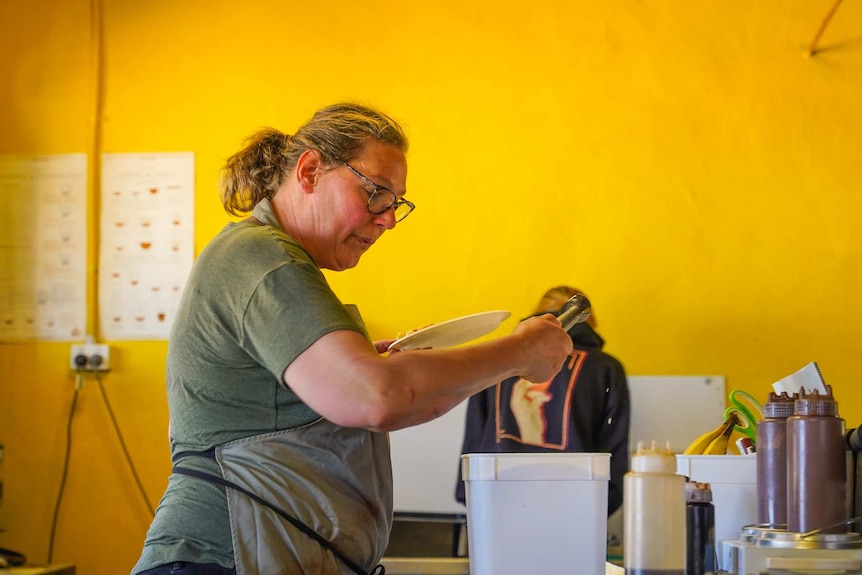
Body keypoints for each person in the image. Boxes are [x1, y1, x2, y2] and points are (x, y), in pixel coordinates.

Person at [130, 103, 573, 575]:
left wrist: (376, 365)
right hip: (222, 557)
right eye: (376, 193)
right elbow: (375, 398)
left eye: (396, 203)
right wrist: (519, 352)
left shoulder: (266, 259)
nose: (387, 220)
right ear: (309, 170)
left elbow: (363, 391)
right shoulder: (261, 257)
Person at [455, 286, 630, 516]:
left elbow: (475, 434)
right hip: (578, 506)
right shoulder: (606, 369)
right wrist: (606, 502)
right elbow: (613, 446)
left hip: (494, 498)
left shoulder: (500, 357)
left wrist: (468, 491)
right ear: (589, 321)